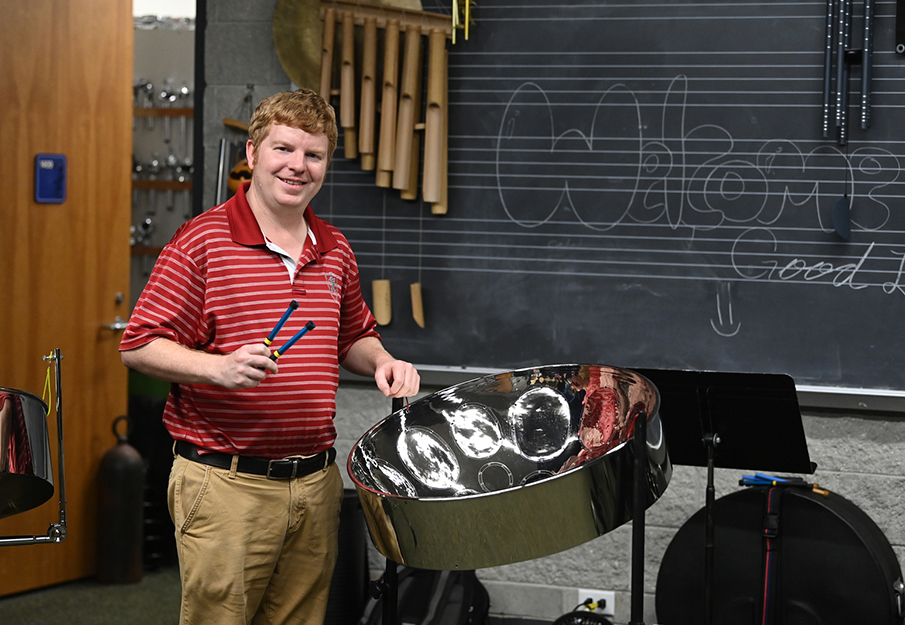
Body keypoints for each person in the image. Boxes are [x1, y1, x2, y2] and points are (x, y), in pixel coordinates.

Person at [120, 88, 420, 625]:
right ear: (253, 154)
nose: (297, 166)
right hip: (226, 484)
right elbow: (139, 344)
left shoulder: (334, 248)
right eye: (284, 150)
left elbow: (353, 336)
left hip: (314, 483)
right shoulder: (202, 242)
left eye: (313, 155)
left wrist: (381, 362)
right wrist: (218, 367)